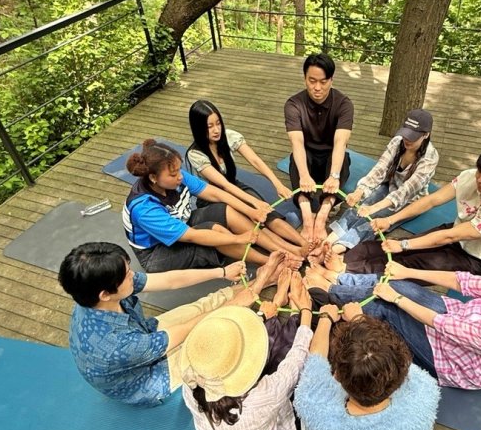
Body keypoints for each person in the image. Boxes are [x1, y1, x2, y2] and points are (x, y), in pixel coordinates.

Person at [306, 261, 481, 389]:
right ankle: (339, 280)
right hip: (457, 316)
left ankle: (327, 292)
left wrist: (398, 298)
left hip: (449, 360)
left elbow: (442, 325)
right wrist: (407, 272)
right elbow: (463, 281)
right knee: (398, 283)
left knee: (384, 307)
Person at [58, 241, 248, 407]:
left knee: (200, 309)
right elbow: (185, 330)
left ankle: (251, 287)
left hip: (143, 334)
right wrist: (234, 305)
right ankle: (246, 297)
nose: (133, 275)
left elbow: (170, 280)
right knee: (215, 338)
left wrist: (222, 272)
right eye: (127, 275)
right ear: (105, 294)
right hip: (150, 379)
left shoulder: (95, 291)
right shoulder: (114, 345)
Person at [293, 302, 440, 430]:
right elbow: (394, 363)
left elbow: (315, 362)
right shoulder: (426, 390)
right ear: (402, 370)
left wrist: (326, 319)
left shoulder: (313, 401)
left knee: (306, 393)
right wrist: (359, 319)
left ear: (336, 376)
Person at [181, 269, 314, 430]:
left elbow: (230, 353)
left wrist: (262, 316)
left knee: (265, 347)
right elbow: (297, 360)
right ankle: (292, 316)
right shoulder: (260, 398)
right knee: (281, 355)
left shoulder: (191, 380)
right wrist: (306, 310)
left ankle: (277, 309)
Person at [334, 144, 481, 278]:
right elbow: (432, 200)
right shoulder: (470, 176)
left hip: (478, 256)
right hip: (457, 231)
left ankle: (345, 270)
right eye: (480, 172)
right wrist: (391, 220)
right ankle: (349, 256)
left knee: (412, 262)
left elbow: (449, 237)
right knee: (395, 244)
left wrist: (406, 245)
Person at [123, 139, 304, 272]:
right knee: (215, 231)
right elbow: (192, 236)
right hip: (157, 253)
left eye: (179, 170)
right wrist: (238, 238)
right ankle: (270, 262)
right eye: (173, 174)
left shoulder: (175, 177)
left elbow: (214, 193)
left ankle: (287, 249)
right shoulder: (144, 208)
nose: (179, 176)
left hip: (181, 223)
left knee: (225, 210)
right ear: (153, 178)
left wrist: (251, 210)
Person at [185, 99, 309, 253]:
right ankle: (291, 251)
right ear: (198, 128)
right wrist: (254, 204)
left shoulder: (229, 136)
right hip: (213, 198)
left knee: (268, 214)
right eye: (210, 127)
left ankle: (304, 244)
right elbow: (224, 185)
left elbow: (255, 160)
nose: (216, 130)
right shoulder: (195, 154)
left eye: (218, 123)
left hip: (234, 185)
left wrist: (277, 184)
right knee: (254, 220)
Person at [324, 108, 439, 254]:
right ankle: (328, 241)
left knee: (375, 221)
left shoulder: (430, 158)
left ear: (426, 135)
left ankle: (336, 249)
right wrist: (360, 191)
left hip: (410, 200)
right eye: (406, 134)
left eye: (413, 136)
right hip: (389, 185)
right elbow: (379, 170)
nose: (407, 139)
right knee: (360, 207)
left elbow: (403, 193)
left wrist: (374, 208)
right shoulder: (398, 142)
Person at [285, 53, 353, 242]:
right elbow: (296, 142)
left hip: (331, 157)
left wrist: (334, 176)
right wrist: (305, 175)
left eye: (323, 82)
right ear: (305, 78)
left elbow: (341, 142)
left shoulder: (344, 104)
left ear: (331, 79)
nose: (317, 88)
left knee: (341, 160)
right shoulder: (293, 104)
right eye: (312, 81)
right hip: (307, 156)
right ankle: (307, 218)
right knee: (297, 159)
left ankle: (322, 215)